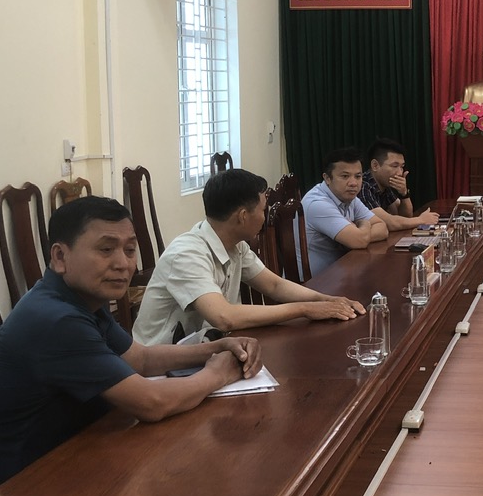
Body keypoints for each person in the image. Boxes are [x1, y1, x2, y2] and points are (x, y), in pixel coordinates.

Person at [0, 197, 263, 496]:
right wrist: (217, 374)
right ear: (60, 256)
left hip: (70, 458)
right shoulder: (55, 319)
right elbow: (151, 402)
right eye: (106, 249)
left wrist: (217, 347)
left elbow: (141, 359)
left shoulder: (80, 298)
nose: (123, 264)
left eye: (129, 250)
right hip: (14, 494)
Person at [132, 168, 364, 346]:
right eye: (263, 210)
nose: (265, 217)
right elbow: (224, 317)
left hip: (203, 349)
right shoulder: (187, 254)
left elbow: (274, 285)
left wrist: (327, 301)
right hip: (159, 366)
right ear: (243, 216)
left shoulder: (236, 246)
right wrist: (304, 309)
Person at [301, 146, 389, 278]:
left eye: (358, 176)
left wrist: (359, 232)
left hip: (341, 272)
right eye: (345, 176)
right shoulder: (317, 204)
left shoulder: (349, 197)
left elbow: (382, 228)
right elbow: (359, 241)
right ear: (327, 178)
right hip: (314, 282)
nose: (353, 183)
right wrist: (364, 224)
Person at [357, 137, 441, 232]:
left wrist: (404, 194)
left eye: (402, 167)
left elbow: (405, 216)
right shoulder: (363, 186)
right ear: (375, 165)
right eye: (395, 166)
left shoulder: (384, 185)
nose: (400, 173)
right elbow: (390, 223)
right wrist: (421, 220)